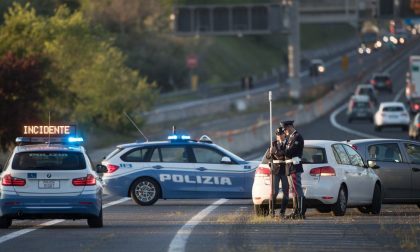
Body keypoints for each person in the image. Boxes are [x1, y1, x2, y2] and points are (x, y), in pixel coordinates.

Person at [281, 120, 305, 219]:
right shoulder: (290, 137)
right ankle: (295, 210)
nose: (285, 132)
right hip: (289, 166)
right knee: (293, 190)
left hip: (295, 166)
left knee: (297, 189)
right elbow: (286, 151)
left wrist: (281, 151)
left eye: (285, 129)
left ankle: (301, 211)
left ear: (290, 127)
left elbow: (290, 152)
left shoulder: (297, 137)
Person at [265, 127, 289, 219]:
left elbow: (287, 154)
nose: (280, 136)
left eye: (281, 134)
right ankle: (272, 211)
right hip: (275, 171)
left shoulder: (288, 143)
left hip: (285, 169)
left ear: (284, 134)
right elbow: (267, 156)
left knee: (286, 192)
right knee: (274, 192)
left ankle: (282, 211)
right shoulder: (273, 144)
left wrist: (278, 153)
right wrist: (271, 152)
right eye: (278, 135)